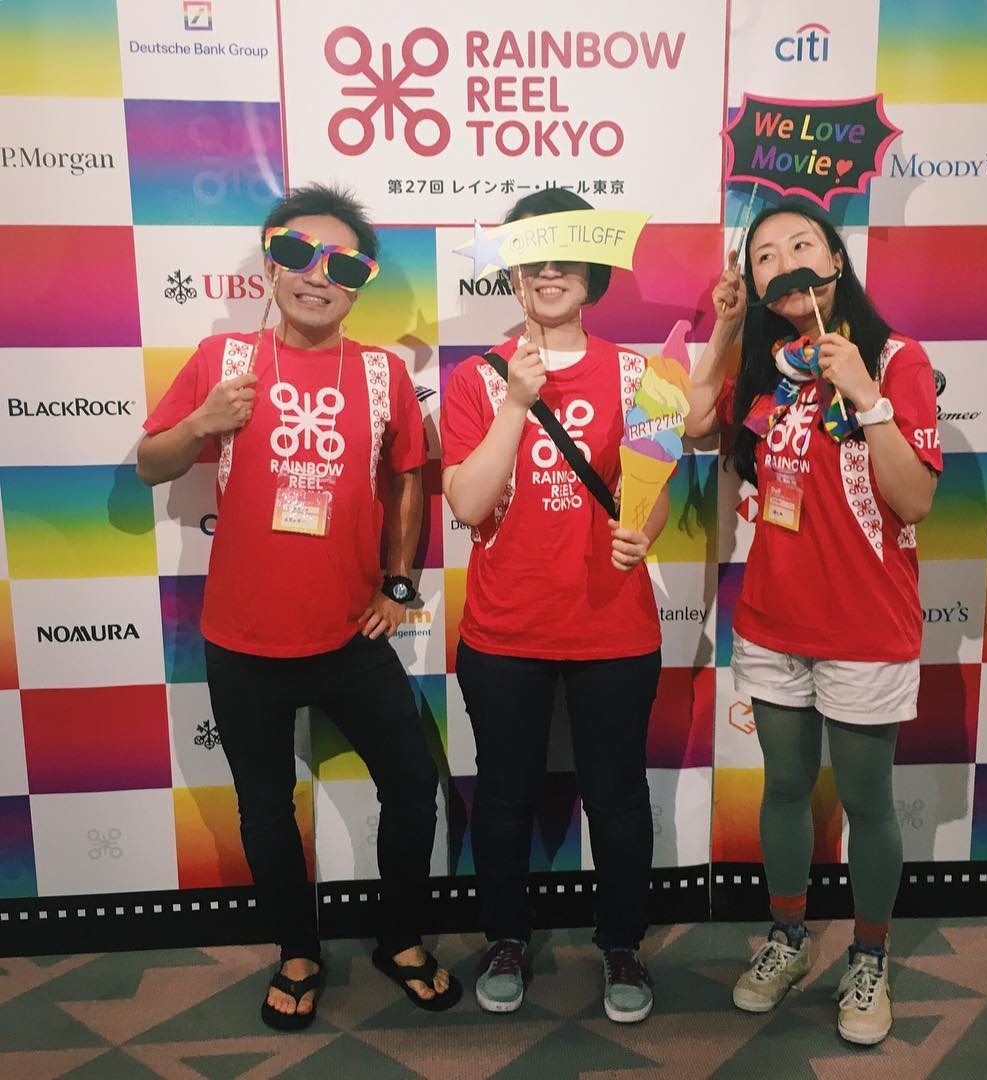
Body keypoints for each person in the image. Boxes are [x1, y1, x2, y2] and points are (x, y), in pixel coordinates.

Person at [137, 183, 461, 1028]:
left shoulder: (385, 373)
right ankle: (297, 950)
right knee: (263, 807)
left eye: (343, 265)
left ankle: (400, 939)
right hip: (241, 641)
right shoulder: (224, 361)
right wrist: (202, 421)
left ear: (361, 284)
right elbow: (149, 463)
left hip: (349, 637)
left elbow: (408, 476)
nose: (318, 275)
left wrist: (399, 583)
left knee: (411, 787)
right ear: (270, 263)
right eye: (296, 252)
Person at [686, 199, 942, 1046]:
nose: (786, 261)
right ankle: (788, 937)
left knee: (867, 800)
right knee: (786, 786)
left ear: (835, 258)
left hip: (865, 627)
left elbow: (914, 499)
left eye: (803, 244)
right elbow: (691, 423)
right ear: (754, 282)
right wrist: (727, 330)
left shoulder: (897, 359)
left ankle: (870, 956)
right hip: (772, 622)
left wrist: (865, 394)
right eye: (765, 255)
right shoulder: (767, 369)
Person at [440, 189, 667, 1023]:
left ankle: (622, 945)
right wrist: (514, 402)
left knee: (618, 798)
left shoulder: (641, 375)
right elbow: (468, 503)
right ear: (512, 270)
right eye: (533, 256)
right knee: (503, 797)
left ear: (592, 272)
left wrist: (643, 531)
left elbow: (654, 490)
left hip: (616, 628)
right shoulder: (476, 377)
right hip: (505, 631)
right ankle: (505, 937)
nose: (549, 272)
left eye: (566, 257)